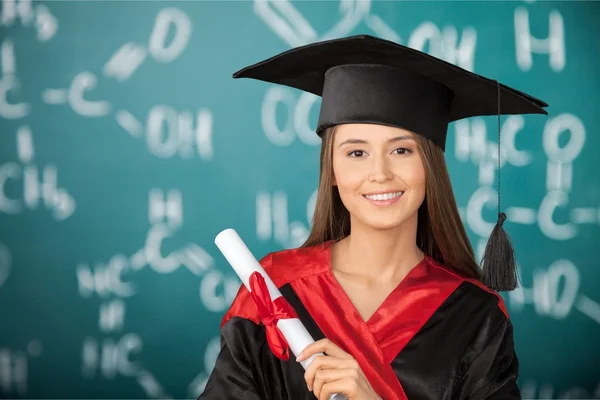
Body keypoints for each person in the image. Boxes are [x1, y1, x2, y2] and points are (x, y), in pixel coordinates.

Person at [199, 35, 548, 400]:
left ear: (429, 167)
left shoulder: (474, 315)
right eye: (356, 153)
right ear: (331, 170)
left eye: (401, 150)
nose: (379, 173)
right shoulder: (272, 291)